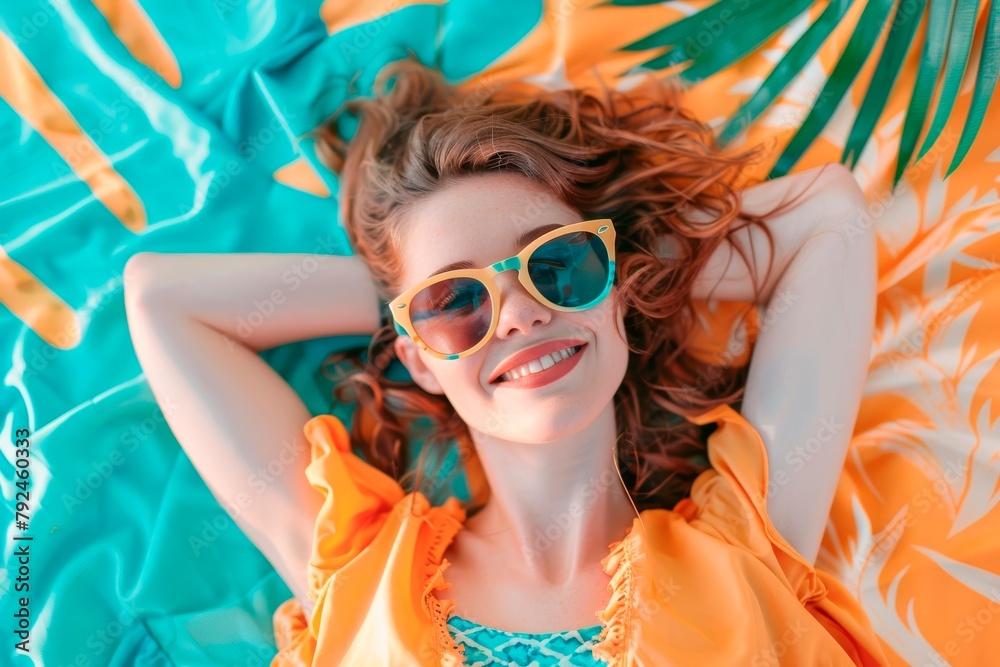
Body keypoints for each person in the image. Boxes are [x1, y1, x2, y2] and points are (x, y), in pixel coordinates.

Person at [124, 58, 887, 665]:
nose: (521, 312)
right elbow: (161, 298)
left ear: (621, 293)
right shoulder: (358, 570)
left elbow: (827, 217)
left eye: (557, 266)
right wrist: (407, 293)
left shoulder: (749, 550)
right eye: (455, 301)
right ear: (413, 357)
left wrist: (603, 263)